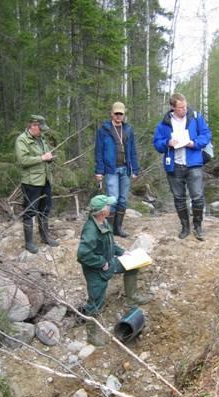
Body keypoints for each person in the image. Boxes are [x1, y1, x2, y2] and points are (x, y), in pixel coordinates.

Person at [77, 194, 151, 345]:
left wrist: (122, 252)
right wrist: (100, 262)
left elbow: (110, 242)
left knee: (132, 266)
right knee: (95, 302)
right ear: (103, 211)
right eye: (108, 206)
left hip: (110, 262)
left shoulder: (103, 221)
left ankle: (133, 297)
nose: (110, 207)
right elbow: (82, 255)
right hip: (96, 271)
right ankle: (92, 335)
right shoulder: (91, 230)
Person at [153, 92, 211, 240]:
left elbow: (206, 135)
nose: (184, 109)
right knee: (179, 197)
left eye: (185, 106)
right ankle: (185, 227)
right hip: (174, 165)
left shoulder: (196, 118)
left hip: (193, 163)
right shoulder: (164, 123)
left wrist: (194, 143)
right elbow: (157, 143)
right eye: (180, 107)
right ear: (172, 107)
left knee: (197, 196)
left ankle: (198, 226)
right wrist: (167, 143)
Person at [95, 102, 140, 238]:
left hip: (125, 169)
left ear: (124, 114)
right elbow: (98, 151)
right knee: (112, 199)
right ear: (112, 114)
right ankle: (108, 229)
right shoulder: (103, 130)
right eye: (116, 113)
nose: (119, 116)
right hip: (111, 170)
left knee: (123, 200)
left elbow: (132, 151)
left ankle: (118, 228)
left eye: (121, 113)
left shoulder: (128, 130)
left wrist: (135, 169)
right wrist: (99, 171)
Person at [15, 115, 59, 254]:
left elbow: (45, 156)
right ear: (33, 125)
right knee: (29, 211)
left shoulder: (41, 139)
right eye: (40, 128)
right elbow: (23, 160)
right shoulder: (22, 140)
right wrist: (42, 158)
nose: (42, 131)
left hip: (45, 179)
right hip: (31, 182)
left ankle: (45, 237)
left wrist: (49, 158)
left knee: (45, 209)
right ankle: (29, 243)